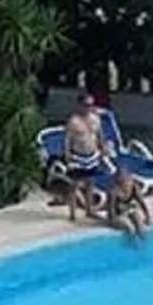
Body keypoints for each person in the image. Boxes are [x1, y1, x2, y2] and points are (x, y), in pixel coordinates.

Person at [58, 93, 112, 223]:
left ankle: (89, 210)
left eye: (91, 105)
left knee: (90, 183)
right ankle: (72, 213)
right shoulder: (73, 121)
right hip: (77, 156)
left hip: (92, 155)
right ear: (79, 106)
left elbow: (99, 135)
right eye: (86, 105)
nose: (89, 108)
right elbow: (67, 140)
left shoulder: (95, 119)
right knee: (74, 185)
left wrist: (103, 149)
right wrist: (67, 155)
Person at [109, 166, 152, 242]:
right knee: (129, 228)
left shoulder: (134, 187)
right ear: (118, 180)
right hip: (118, 214)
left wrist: (148, 216)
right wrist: (114, 221)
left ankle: (144, 244)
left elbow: (142, 203)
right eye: (122, 179)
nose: (126, 181)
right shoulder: (114, 191)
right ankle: (132, 245)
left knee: (139, 224)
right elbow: (112, 210)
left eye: (126, 178)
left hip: (129, 210)